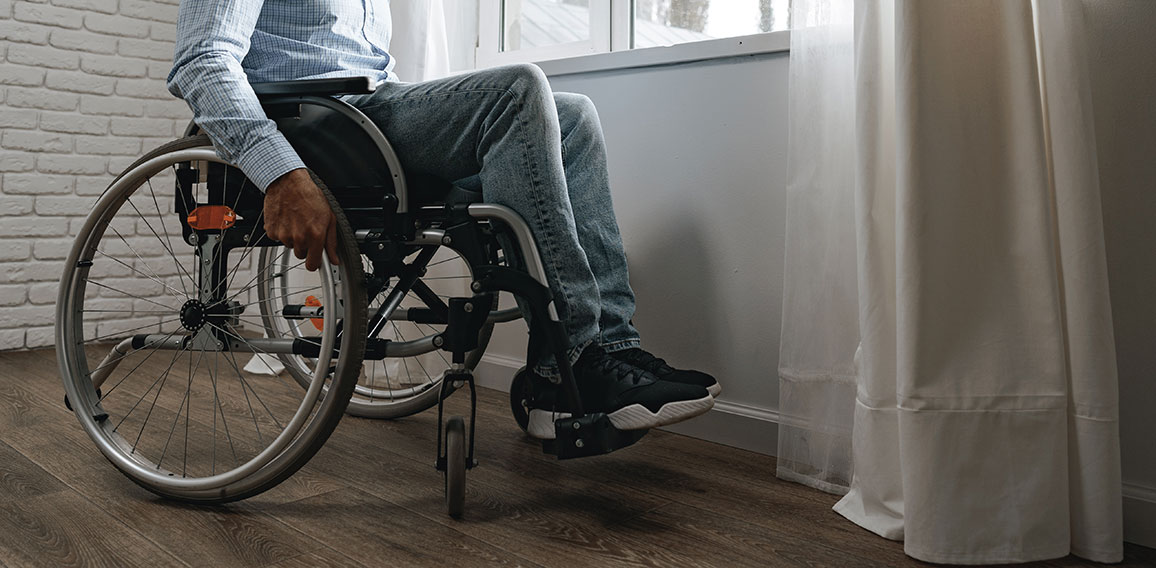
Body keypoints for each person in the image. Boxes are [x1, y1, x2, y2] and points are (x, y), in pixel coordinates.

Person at [168, 0, 720, 438]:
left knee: (573, 115)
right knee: (519, 88)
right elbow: (202, 61)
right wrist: (281, 173)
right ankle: (574, 357)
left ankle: (602, 353)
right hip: (318, 128)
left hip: (367, 110)